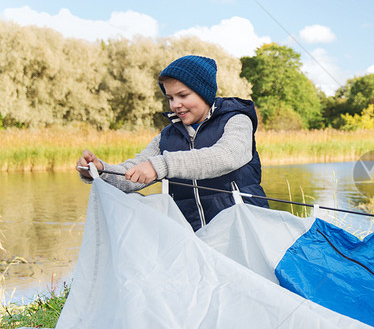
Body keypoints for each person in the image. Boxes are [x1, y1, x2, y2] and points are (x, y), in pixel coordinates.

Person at [78, 55, 269, 231]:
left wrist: (161, 165)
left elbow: (227, 156)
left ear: (204, 92)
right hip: (194, 240)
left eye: (183, 95)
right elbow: (133, 171)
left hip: (244, 233)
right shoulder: (166, 137)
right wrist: (101, 170)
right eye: (170, 98)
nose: (175, 104)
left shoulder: (236, 120)